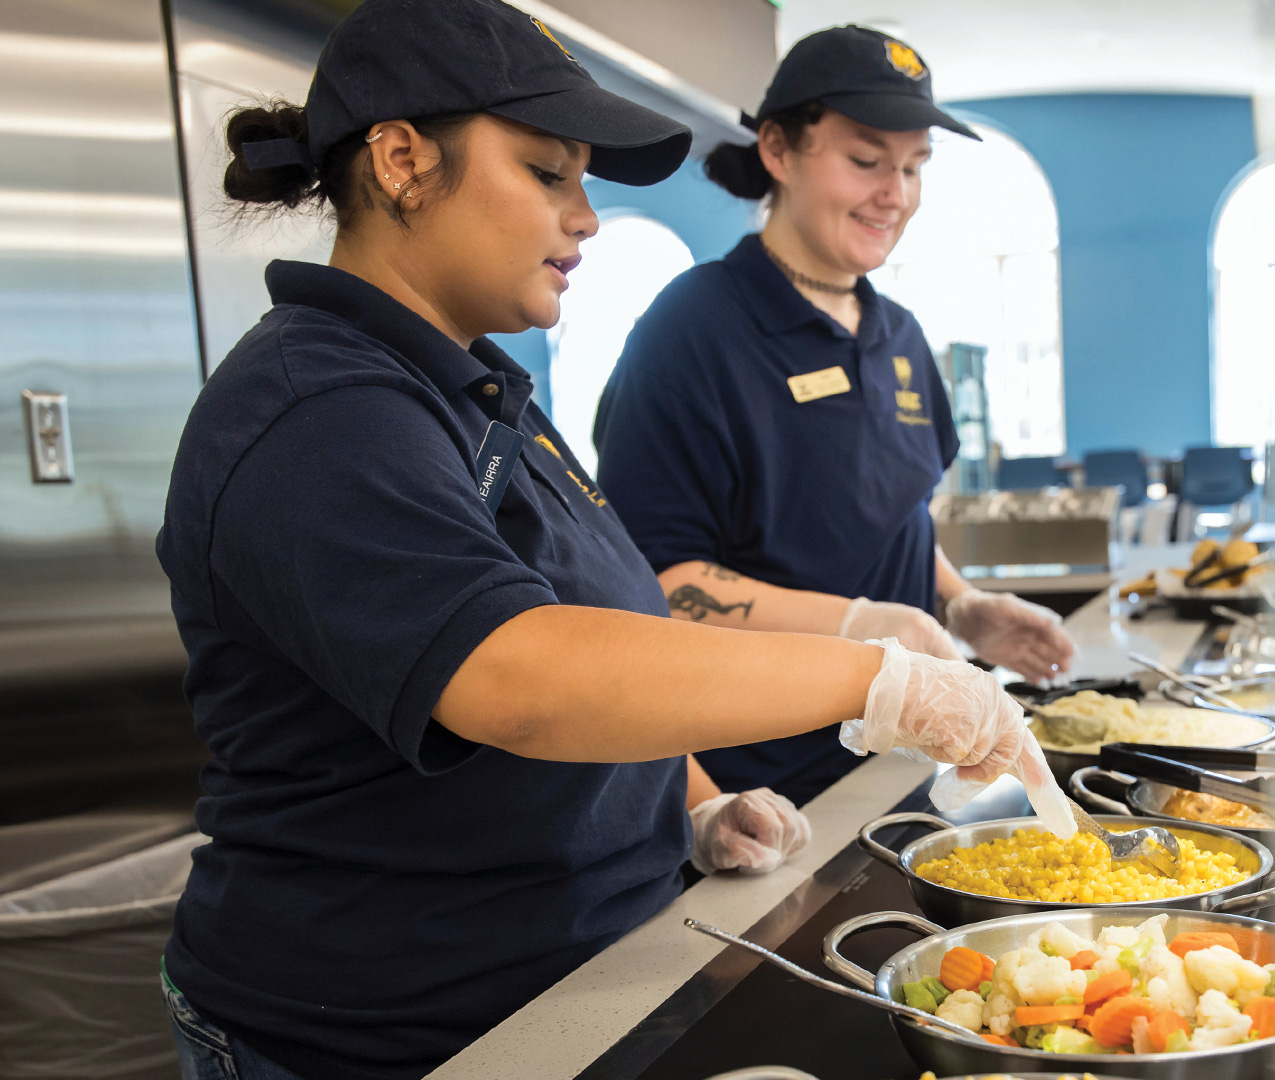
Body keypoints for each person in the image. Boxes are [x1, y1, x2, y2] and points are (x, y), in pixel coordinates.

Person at [152, 3, 1055, 1078]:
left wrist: (692, 799)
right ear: (400, 161)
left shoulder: (481, 389)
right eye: (547, 175)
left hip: (591, 962)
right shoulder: (321, 409)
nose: (586, 217)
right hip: (389, 1027)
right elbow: (516, 674)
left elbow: (605, 615)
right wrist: (879, 677)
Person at [593, 26, 1076, 805]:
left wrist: (960, 604)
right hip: (766, 788)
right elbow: (660, 584)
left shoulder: (902, 337)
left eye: (915, 168)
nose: (898, 194)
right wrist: (860, 627)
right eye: (866, 161)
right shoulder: (694, 329)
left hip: (908, 759)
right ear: (778, 150)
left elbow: (897, 517)